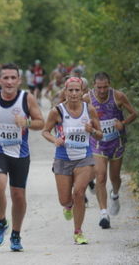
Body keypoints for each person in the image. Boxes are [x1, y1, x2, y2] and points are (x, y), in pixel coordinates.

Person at [0, 63, 44, 251]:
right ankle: (2, 222)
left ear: (19, 80)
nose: (9, 82)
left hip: (20, 154)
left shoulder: (27, 98)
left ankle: (16, 234)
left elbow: (41, 123)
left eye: (12, 78)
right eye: (5, 78)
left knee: (18, 195)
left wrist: (27, 122)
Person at [42, 77, 102, 245]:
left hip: (84, 157)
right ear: (65, 92)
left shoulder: (89, 110)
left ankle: (78, 231)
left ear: (83, 92)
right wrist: (54, 139)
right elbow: (45, 131)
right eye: (71, 90)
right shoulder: (57, 111)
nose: (74, 93)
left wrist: (92, 130)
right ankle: (68, 206)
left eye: (77, 90)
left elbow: (100, 134)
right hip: (63, 158)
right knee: (65, 199)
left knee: (79, 192)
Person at [83, 72, 137, 229]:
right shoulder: (87, 98)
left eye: (105, 86)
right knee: (100, 177)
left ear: (109, 84)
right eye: (99, 87)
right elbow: (78, 114)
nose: (102, 90)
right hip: (97, 143)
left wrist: (123, 122)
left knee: (115, 177)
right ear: (94, 85)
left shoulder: (118, 96)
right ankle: (103, 213)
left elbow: (134, 113)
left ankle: (115, 195)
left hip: (116, 142)